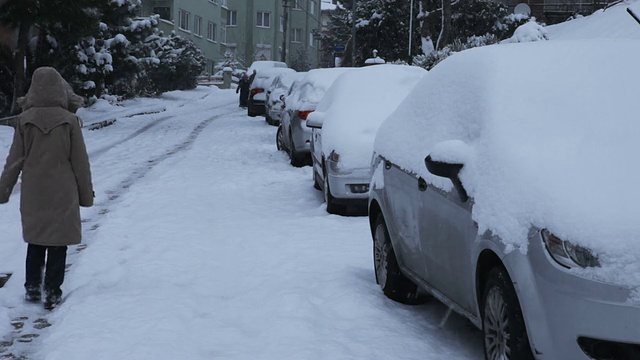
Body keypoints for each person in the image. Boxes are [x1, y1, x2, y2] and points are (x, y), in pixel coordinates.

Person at [0, 67, 93, 310]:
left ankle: (32, 287)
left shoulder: (24, 121)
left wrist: (4, 189)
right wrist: (85, 195)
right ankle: (52, 291)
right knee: (58, 242)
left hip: (34, 190)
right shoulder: (70, 121)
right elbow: (79, 162)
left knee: (36, 239)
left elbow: (15, 160)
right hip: (63, 189)